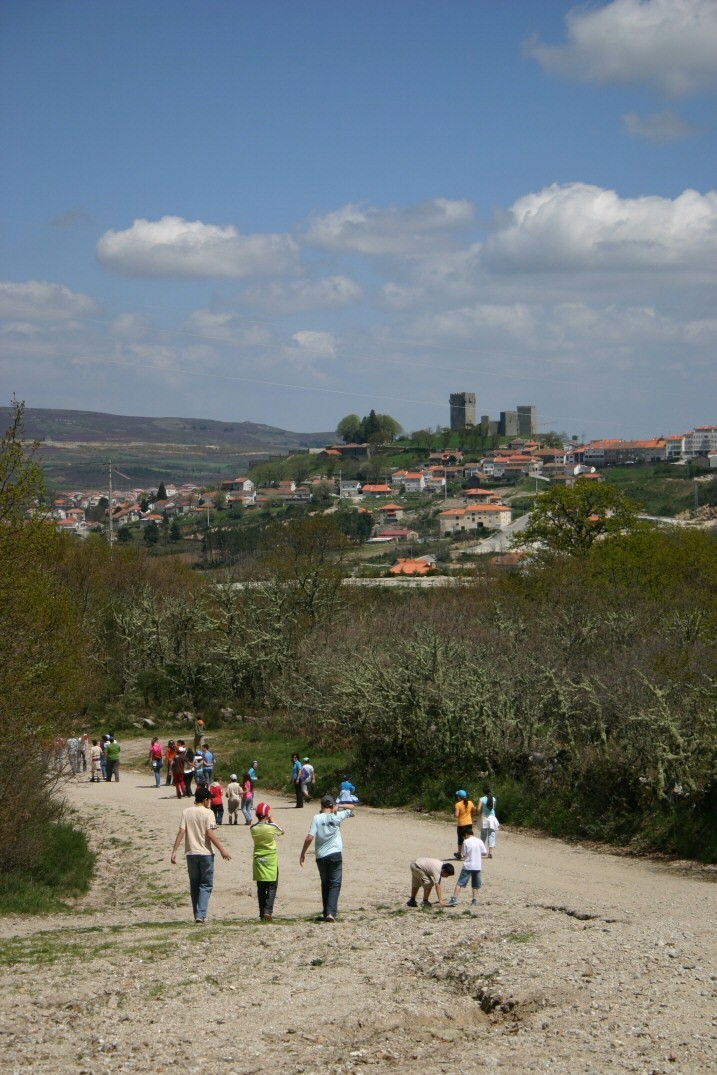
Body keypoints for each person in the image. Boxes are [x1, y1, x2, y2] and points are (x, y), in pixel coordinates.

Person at [170, 787, 231, 924]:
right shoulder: (208, 813)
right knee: (206, 884)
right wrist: (222, 849)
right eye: (209, 799)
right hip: (205, 853)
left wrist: (174, 850)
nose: (210, 802)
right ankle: (201, 914)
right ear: (205, 800)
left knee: (194, 884)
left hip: (191, 853)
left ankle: (197, 913)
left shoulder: (186, 812)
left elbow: (181, 831)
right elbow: (210, 833)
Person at [299, 795, 355, 923]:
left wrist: (303, 853)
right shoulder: (337, 816)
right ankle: (331, 912)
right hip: (335, 853)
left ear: (321, 805)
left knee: (325, 883)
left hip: (321, 855)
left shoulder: (317, 818)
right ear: (332, 805)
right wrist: (339, 806)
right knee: (335, 883)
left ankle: (326, 912)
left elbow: (309, 837)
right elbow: (352, 807)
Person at [250, 802, 284, 921]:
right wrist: (273, 821)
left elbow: (253, 826)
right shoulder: (271, 827)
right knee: (272, 885)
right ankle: (268, 911)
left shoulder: (253, 828)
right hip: (270, 859)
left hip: (258, 858)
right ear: (266, 814)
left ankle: (261, 912)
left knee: (261, 886)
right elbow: (281, 831)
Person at [448, 833, 487, 906]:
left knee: (460, 883)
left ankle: (454, 899)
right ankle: (474, 900)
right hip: (477, 866)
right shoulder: (479, 841)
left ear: (466, 834)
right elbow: (485, 853)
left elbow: (463, 854)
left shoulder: (466, 842)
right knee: (476, 884)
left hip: (468, 866)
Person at [454, 789, 477, 859]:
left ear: (459, 797)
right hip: (469, 823)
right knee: (469, 838)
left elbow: (456, 815)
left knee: (460, 839)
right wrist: (471, 815)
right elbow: (474, 810)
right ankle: (469, 853)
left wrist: (454, 813)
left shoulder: (458, 804)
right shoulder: (470, 802)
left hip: (461, 824)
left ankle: (459, 853)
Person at [480, 786, 498, 858]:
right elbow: (494, 808)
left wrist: (479, 813)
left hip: (484, 818)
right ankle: (490, 852)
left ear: (483, 792)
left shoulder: (482, 799)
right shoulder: (493, 799)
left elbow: (478, 809)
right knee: (492, 835)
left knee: (483, 835)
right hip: (492, 818)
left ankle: (483, 851)